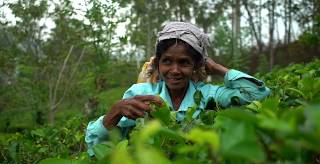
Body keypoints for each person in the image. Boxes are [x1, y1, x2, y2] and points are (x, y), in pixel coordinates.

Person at [85, 22, 270, 156]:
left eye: (184, 62)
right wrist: (114, 112)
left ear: (196, 65)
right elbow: (97, 149)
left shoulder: (207, 94)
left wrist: (216, 68)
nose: (175, 70)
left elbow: (258, 94)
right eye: (167, 61)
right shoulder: (139, 93)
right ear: (158, 63)